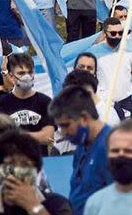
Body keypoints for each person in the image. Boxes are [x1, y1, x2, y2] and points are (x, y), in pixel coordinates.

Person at [48, 86, 112, 215]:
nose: (63, 133)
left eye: (66, 125)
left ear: (84, 117)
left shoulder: (112, 149)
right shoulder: (82, 145)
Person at [0, 130, 72, 215]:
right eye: (10, 163)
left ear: (37, 170)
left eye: (25, 165)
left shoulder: (58, 204)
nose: (17, 170)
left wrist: (33, 206)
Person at [89, 18, 132, 122]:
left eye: (120, 33)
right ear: (105, 33)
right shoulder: (94, 53)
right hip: (104, 104)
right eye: (113, 33)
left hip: (126, 103)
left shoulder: (129, 51)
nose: (117, 36)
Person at [0, 53, 54, 156]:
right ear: (11, 76)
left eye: (29, 72)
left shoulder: (44, 102)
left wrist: (15, 136)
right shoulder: (2, 103)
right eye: (21, 73)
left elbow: (48, 137)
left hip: (38, 163)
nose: (26, 77)